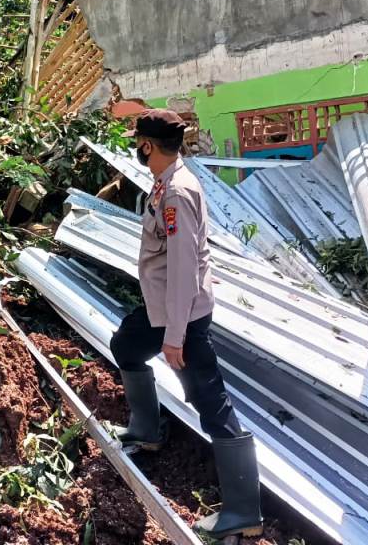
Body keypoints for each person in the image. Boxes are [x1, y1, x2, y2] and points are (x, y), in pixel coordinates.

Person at [110, 109, 262, 539]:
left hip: (182, 313)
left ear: (148, 145)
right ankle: (146, 430)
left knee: (208, 399)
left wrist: (175, 337)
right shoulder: (166, 184)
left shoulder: (176, 193)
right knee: (126, 345)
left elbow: (181, 270)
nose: (136, 148)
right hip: (164, 308)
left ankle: (243, 511)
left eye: (138, 141)